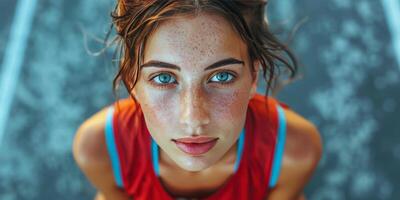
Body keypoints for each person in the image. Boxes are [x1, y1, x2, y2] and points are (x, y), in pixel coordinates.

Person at [72, 0, 323, 199]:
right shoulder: (100, 150)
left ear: (253, 76)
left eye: (222, 76)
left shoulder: (294, 151)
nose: (193, 119)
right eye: (163, 78)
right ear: (131, 81)